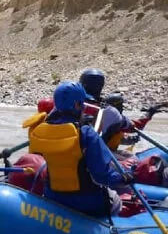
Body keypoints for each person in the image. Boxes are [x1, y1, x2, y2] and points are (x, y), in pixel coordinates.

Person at [28, 81, 132, 217]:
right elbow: (102, 175)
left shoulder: (40, 131)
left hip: (52, 197)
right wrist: (122, 178)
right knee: (116, 200)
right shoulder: (86, 133)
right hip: (87, 201)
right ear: (77, 104)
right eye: (81, 103)